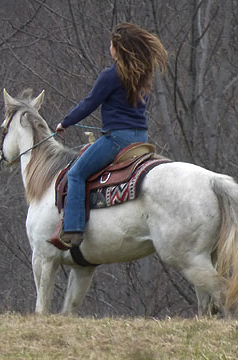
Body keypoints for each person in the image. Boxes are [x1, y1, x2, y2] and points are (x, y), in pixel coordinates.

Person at [55, 22, 167, 248]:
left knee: (76, 173)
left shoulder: (110, 75)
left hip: (117, 141)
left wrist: (65, 122)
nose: (110, 47)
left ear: (118, 48)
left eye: (112, 44)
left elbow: (89, 104)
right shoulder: (142, 75)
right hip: (142, 140)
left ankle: (73, 229)